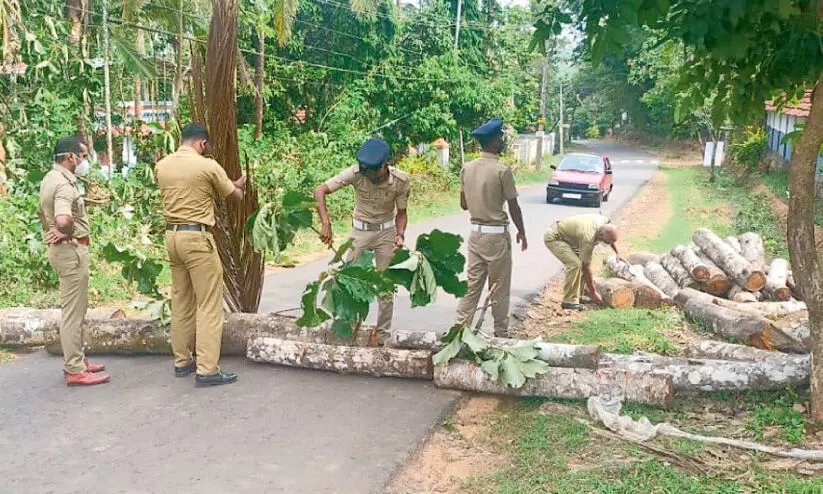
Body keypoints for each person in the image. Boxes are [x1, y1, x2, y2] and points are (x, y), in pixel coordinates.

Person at [155, 123, 246, 387]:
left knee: (181, 299)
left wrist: (228, 183)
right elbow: (234, 195)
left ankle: (182, 361)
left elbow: (190, 189)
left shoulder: (163, 165)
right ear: (203, 144)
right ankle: (207, 369)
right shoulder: (208, 165)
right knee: (208, 304)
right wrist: (239, 186)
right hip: (197, 238)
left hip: (172, 237)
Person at [314, 138, 410, 334]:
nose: (369, 177)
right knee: (350, 280)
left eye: (374, 173)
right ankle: (348, 328)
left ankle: (383, 333)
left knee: (385, 285)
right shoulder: (356, 173)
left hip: (386, 233)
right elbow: (320, 190)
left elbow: (401, 213)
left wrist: (400, 235)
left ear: (385, 166)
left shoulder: (400, 181)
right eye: (366, 172)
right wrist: (326, 222)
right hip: (360, 232)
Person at [39, 135, 111, 386]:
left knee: (77, 310)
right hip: (71, 251)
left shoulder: (51, 178)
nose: (83, 161)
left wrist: (50, 230)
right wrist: (63, 230)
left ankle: (77, 359)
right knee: (72, 312)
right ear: (70, 157)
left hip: (64, 250)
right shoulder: (63, 184)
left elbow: (41, 211)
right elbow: (63, 219)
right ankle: (75, 369)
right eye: (81, 156)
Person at [454, 119, 527, 337]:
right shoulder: (502, 171)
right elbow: (513, 205)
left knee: (472, 286)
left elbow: (463, 204)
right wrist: (522, 231)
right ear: (494, 142)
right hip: (496, 238)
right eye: (500, 138)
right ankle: (500, 333)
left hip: (476, 235)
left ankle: (459, 330)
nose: (502, 141)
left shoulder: (467, 168)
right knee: (499, 288)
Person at [543, 213, 621, 311]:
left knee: (580, 263)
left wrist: (617, 253)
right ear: (600, 235)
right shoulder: (588, 238)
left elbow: (611, 236)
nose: (606, 244)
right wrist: (593, 293)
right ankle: (569, 301)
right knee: (575, 264)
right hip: (555, 237)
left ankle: (577, 297)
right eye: (605, 241)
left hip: (570, 238)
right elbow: (586, 267)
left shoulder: (605, 223)